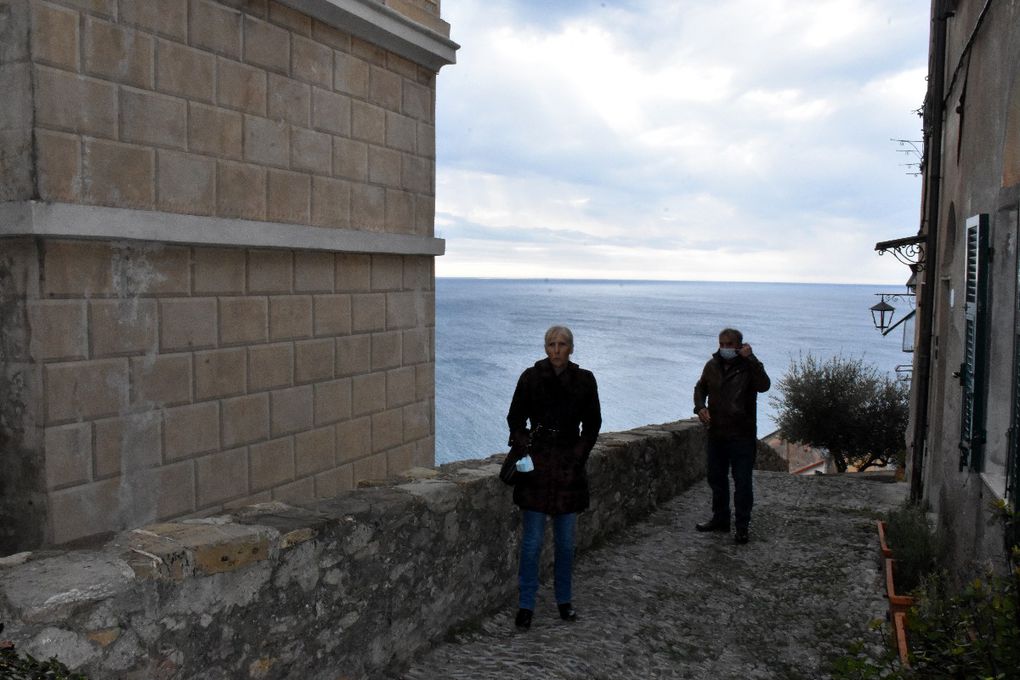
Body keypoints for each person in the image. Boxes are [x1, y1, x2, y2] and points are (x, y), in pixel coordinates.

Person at [506, 325, 602, 630]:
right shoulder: (530, 377)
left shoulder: (585, 380)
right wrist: (525, 448)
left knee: (565, 542)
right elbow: (515, 419)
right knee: (532, 543)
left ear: (571, 348)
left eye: (561, 344)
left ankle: (564, 600)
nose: (556, 349)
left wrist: (577, 456)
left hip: (568, 469)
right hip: (537, 467)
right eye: (551, 344)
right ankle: (526, 605)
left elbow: (592, 425)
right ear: (545, 347)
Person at [692, 328, 770, 544]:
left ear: (739, 345)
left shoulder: (749, 367)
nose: (725, 348)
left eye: (729, 344)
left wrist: (751, 358)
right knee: (716, 479)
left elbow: (764, 385)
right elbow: (700, 388)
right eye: (722, 344)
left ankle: (742, 526)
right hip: (716, 433)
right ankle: (720, 518)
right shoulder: (712, 366)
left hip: (742, 435)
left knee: (742, 482)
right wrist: (700, 408)